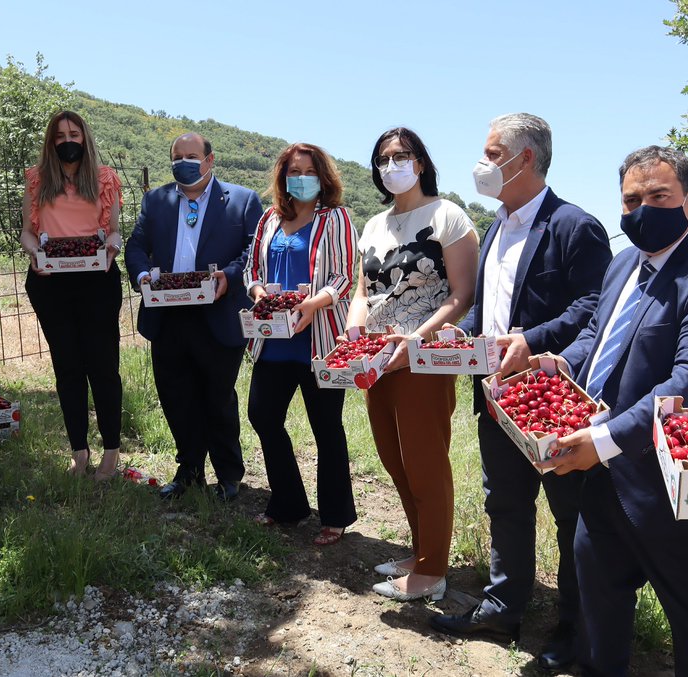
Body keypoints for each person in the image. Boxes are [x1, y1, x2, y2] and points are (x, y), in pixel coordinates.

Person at [537, 146, 688, 676]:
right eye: (631, 199)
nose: (643, 209)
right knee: (599, 601)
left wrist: (606, 439)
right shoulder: (623, 265)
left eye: (658, 196)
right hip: (604, 474)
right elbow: (597, 336)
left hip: (671, 482)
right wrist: (558, 364)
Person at [430, 114, 610, 671]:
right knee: (504, 502)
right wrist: (466, 335)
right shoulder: (496, 227)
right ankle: (504, 607)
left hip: (551, 400)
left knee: (569, 513)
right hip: (496, 396)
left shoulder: (575, 226)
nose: (482, 164)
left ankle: (575, 628)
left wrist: (531, 340)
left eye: (490, 152)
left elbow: (592, 309)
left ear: (524, 159)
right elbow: (491, 307)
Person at [347, 127, 479, 601]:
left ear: (420, 162)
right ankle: (420, 549)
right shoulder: (374, 225)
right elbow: (365, 292)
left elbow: (462, 294)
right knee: (393, 457)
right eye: (383, 159)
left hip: (423, 360)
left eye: (401, 156)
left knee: (425, 461)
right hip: (376, 359)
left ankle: (432, 570)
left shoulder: (449, 217)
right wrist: (353, 330)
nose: (391, 165)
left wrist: (415, 340)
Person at [124, 133, 263, 501]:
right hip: (167, 317)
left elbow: (254, 250)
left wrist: (229, 277)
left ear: (210, 160)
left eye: (191, 155)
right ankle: (189, 471)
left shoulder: (242, 200)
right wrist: (141, 276)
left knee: (217, 397)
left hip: (217, 316)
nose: (184, 162)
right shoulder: (156, 200)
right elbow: (137, 245)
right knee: (176, 396)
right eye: (177, 156)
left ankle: (229, 476)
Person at [243, 142, 358, 545]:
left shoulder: (337, 218)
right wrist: (257, 290)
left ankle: (336, 516)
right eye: (293, 171)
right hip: (273, 340)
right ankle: (289, 503)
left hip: (318, 340)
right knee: (262, 415)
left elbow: (344, 276)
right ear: (283, 176)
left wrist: (313, 303)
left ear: (322, 177)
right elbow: (252, 268)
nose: (301, 179)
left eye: (308, 172)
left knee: (326, 427)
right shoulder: (270, 219)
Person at [20, 111, 125, 480]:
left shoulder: (105, 178)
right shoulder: (36, 180)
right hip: (51, 281)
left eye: (75, 134)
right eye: (61, 134)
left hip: (97, 280)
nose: (68, 140)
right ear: (51, 141)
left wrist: (112, 247)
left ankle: (111, 450)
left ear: (85, 138)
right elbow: (27, 233)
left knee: (102, 365)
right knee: (67, 367)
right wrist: (33, 253)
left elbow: (112, 231)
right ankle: (78, 450)